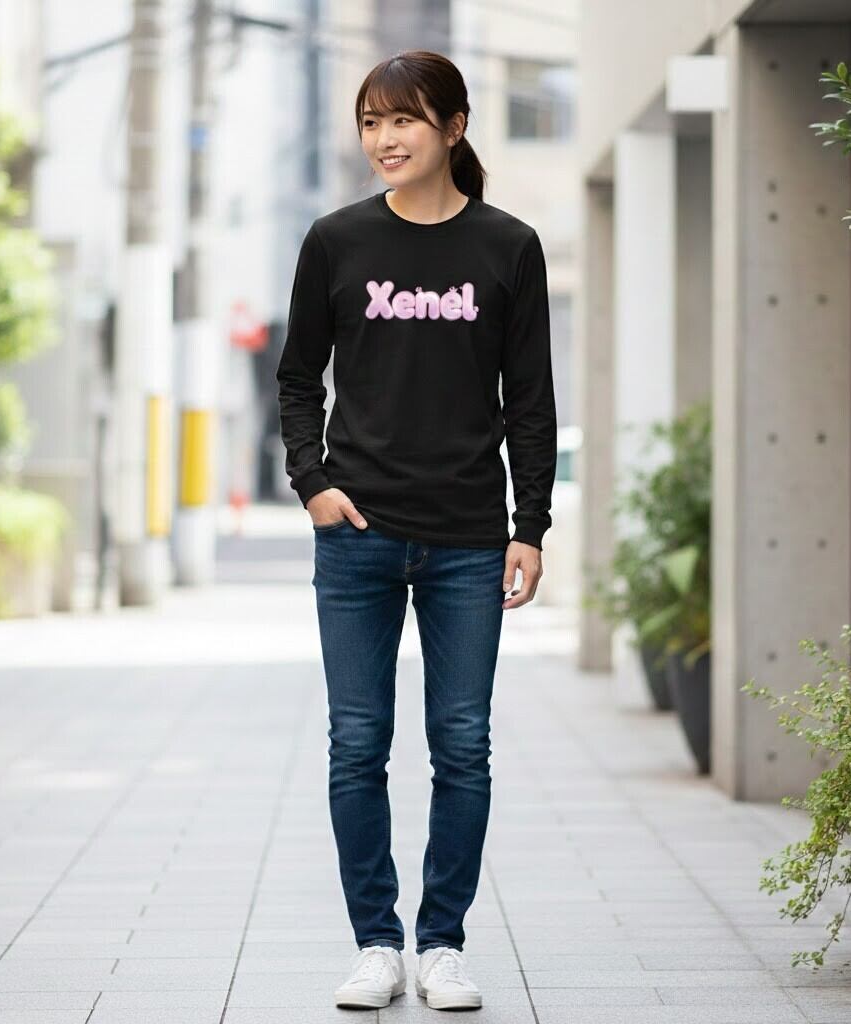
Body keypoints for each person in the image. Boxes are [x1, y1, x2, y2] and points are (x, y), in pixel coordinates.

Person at [275, 49, 557, 1011]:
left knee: (461, 744)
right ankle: (375, 944)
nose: (383, 139)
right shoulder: (336, 240)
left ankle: (440, 945)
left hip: (469, 538)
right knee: (357, 743)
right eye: (370, 121)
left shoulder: (507, 246)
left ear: (453, 126)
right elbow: (297, 376)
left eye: (402, 119)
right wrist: (312, 483)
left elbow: (529, 400)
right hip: (356, 534)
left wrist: (530, 525)